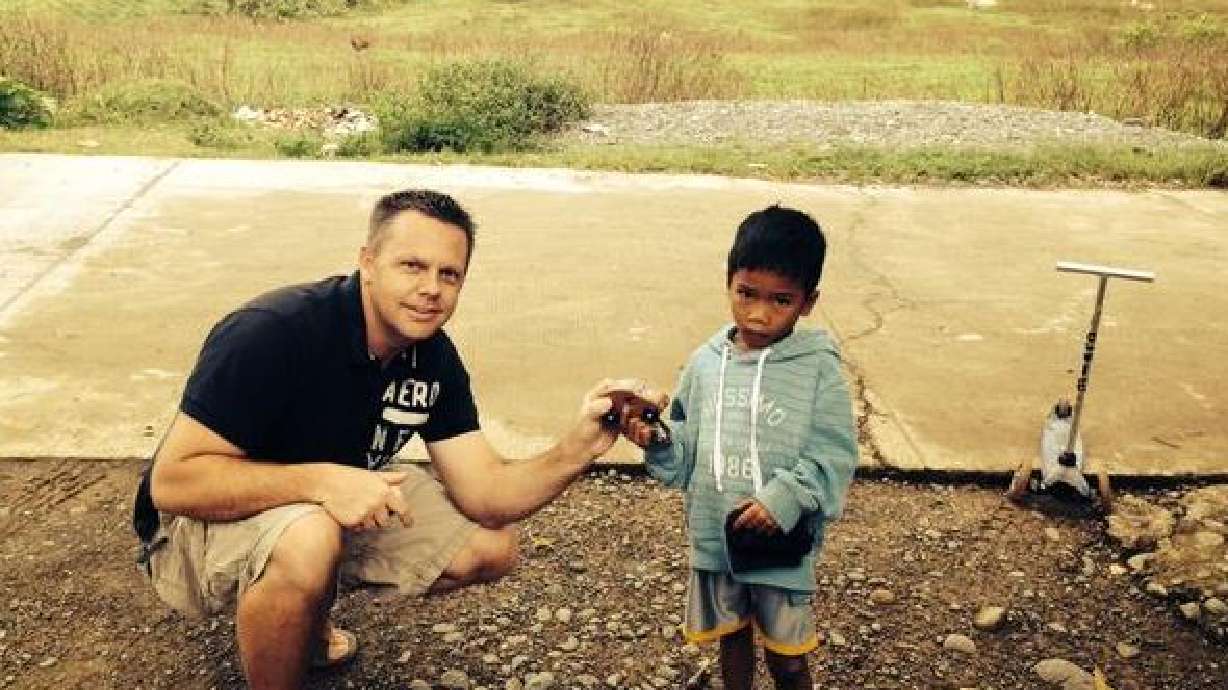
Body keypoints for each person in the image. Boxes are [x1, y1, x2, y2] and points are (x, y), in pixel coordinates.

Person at [132, 189, 657, 690]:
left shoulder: (431, 355)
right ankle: (295, 599)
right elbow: (172, 484)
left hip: (315, 507)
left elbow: (487, 494)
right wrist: (324, 482)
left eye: (449, 274)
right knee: (309, 536)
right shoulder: (272, 332)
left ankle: (304, 611)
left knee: (489, 546)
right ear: (368, 261)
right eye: (412, 266)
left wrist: (580, 447)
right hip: (190, 527)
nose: (432, 288)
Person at [626, 205, 858, 690]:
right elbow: (685, 449)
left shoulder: (818, 369)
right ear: (728, 282)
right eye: (746, 293)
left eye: (781, 300)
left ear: (808, 302)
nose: (758, 313)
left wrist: (785, 498)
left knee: (788, 661)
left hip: (780, 546)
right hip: (716, 536)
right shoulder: (705, 364)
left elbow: (834, 455)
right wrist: (658, 440)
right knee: (731, 640)